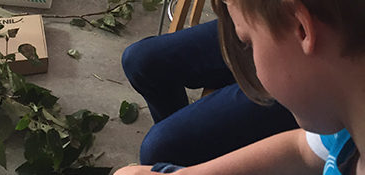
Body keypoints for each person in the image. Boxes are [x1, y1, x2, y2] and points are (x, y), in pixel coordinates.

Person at [114, 0, 365, 175]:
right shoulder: (345, 126)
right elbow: (304, 149)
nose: (248, 61)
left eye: (249, 43)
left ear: (301, 28)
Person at [121, 19, 298, 166]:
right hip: (270, 19)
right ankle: (188, 147)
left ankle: (183, 153)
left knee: (158, 148)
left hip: (291, 57)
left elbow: (306, 149)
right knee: (140, 61)